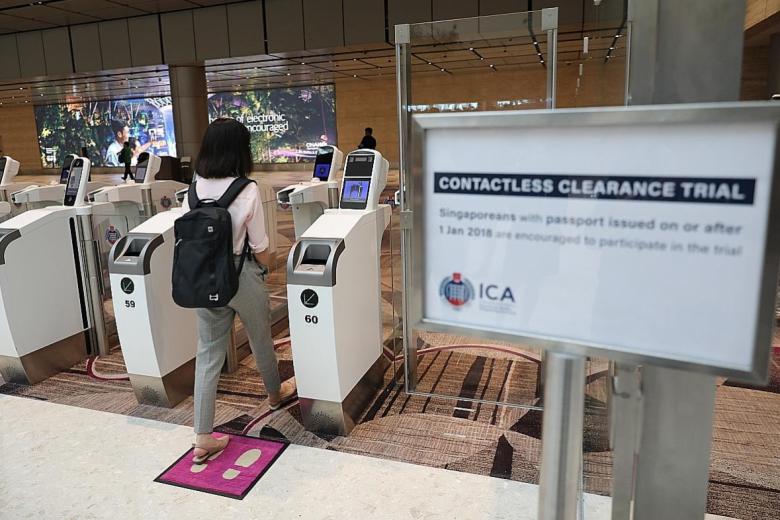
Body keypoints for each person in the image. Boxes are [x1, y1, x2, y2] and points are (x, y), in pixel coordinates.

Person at [185, 118, 296, 463]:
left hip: (205, 279)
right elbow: (261, 248)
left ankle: (203, 436)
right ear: (240, 150)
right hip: (242, 274)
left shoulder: (195, 187)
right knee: (261, 337)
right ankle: (275, 395)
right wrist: (269, 259)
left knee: (208, 354)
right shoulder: (247, 189)